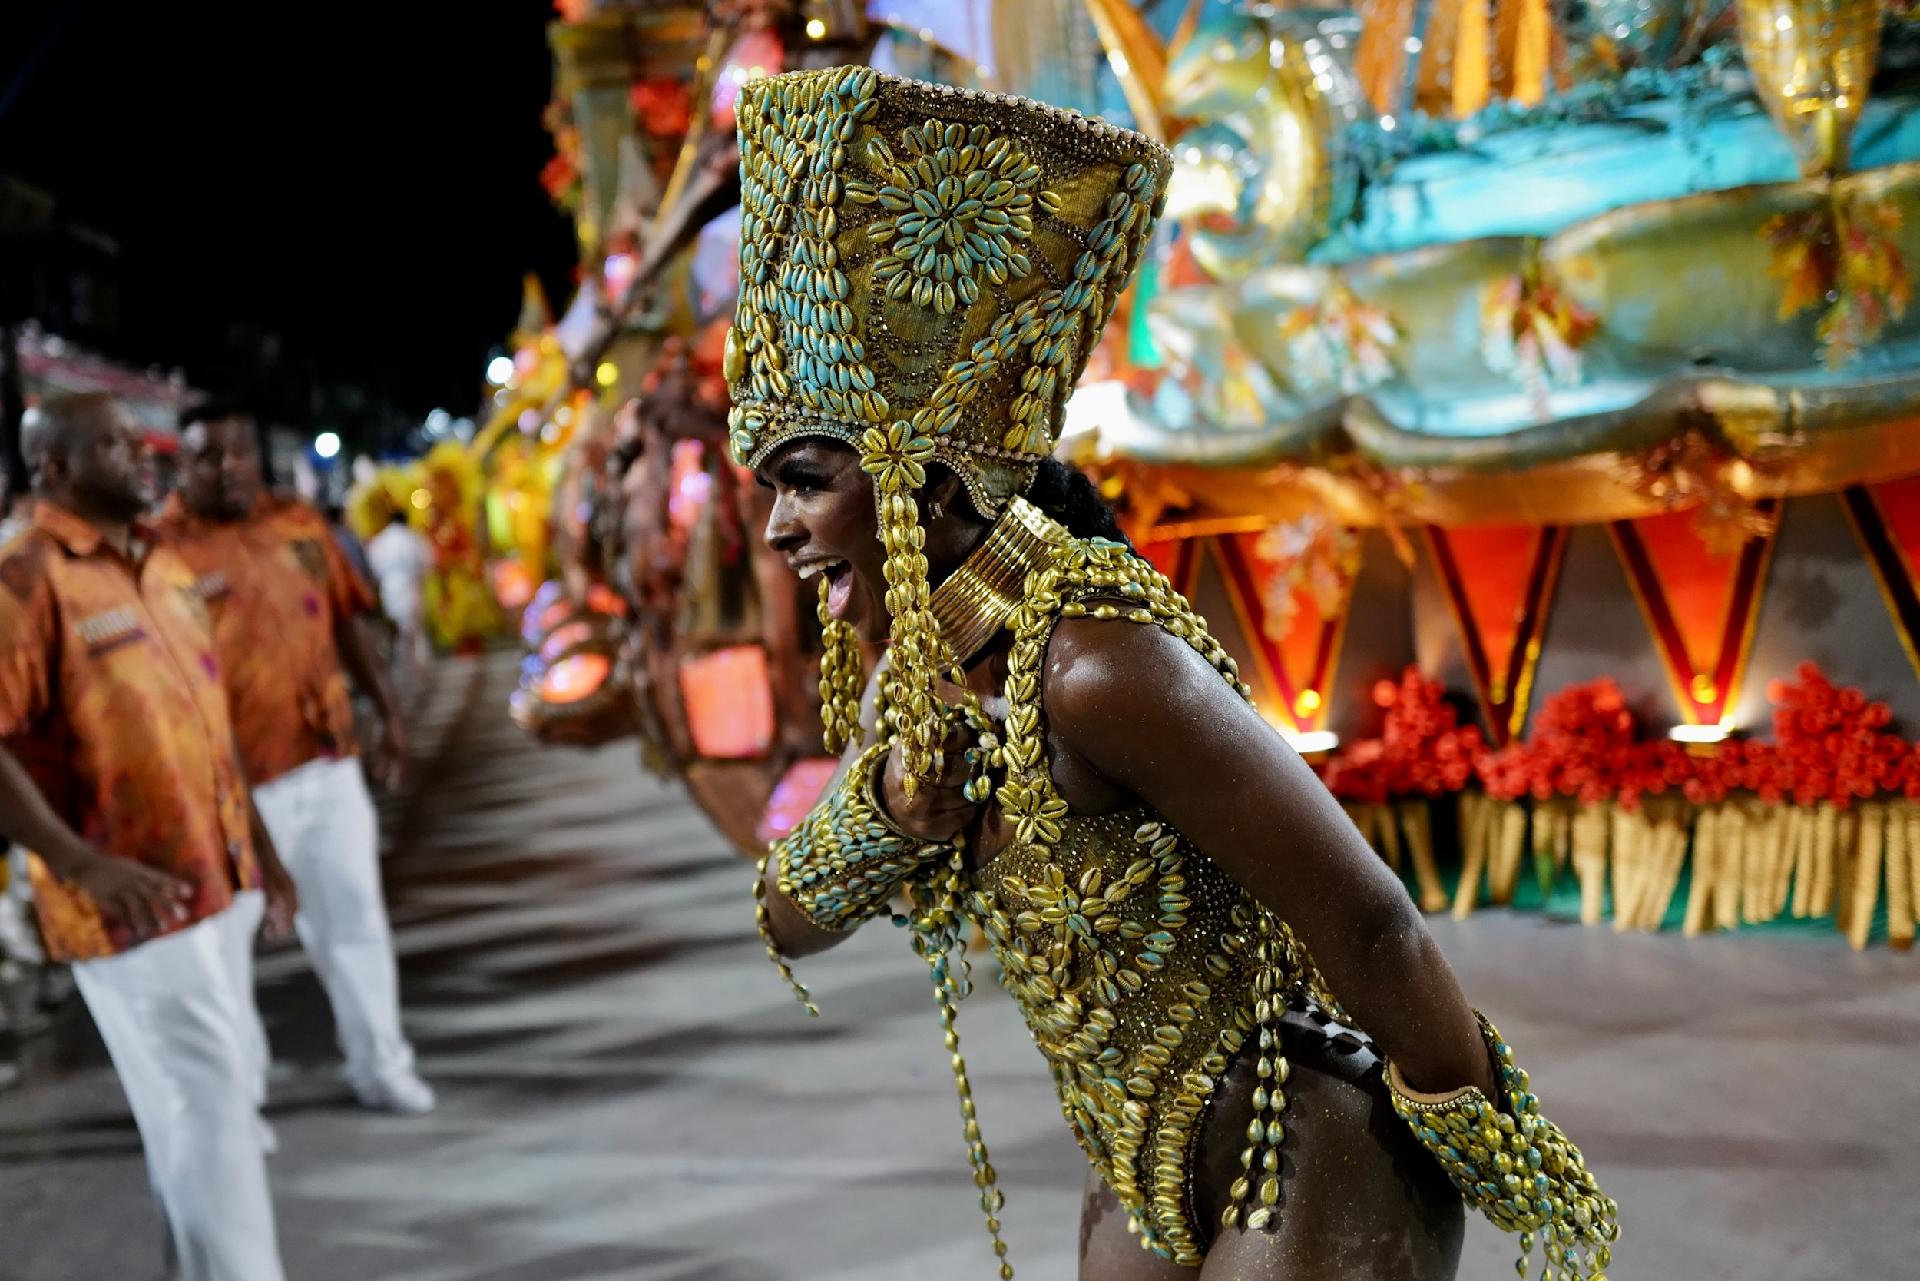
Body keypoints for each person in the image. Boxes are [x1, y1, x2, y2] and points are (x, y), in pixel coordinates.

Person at [738, 70, 1618, 1281]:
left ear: (926, 485)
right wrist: (893, 812)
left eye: (804, 479)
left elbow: (1366, 917)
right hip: (1137, 1173)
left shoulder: (1097, 663)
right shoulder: (928, 679)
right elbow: (786, 910)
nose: (779, 529)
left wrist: (1487, 1140)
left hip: (1308, 1147)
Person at [0, 392, 298, 1281]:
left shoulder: (162, 565)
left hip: (215, 881)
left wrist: (267, 853)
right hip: (125, 899)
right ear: (54, 469)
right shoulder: (27, 577)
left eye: (140, 441)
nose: (144, 456)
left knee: (201, 1109)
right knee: (210, 1107)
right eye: (112, 444)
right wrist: (81, 860)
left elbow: (206, 726)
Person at [158, 402, 434, 1115]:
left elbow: (347, 623)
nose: (226, 468)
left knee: (356, 921)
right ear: (181, 466)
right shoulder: (159, 553)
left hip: (328, 762)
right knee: (225, 952)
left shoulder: (299, 525)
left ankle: (382, 1065)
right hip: (234, 789)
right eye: (207, 456)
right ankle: (239, 1105)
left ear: (258, 455)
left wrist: (391, 715)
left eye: (237, 452)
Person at [365, 494, 433, 703]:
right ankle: (418, 676)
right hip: (411, 589)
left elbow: (373, 568)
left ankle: (407, 678)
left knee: (401, 635)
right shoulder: (413, 539)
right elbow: (427, 562)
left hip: (390, 592)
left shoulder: (380, 542)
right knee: (414, 634)